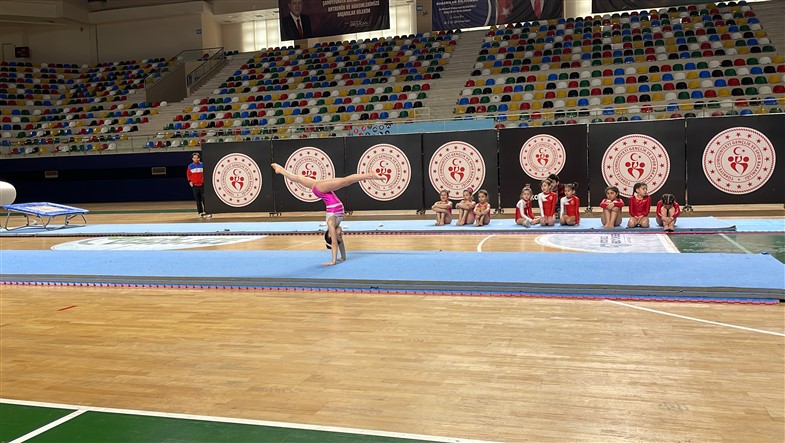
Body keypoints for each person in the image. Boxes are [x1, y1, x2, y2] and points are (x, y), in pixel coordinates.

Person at [271, 163, 383, 266]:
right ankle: (280, 170)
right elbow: (339, 242)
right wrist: (343, 257)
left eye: (339, 235)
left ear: (330, 234)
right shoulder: (336, 225)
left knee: (345, 181)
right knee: (298, 179)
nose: (342, 233)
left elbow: (334, 242)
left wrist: (333, 261)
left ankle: (370, 175)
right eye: (341, 236)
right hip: (321, 191)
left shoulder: (331, 222)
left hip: (321, 190)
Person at [186, 152, 210, 218]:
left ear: (199, 158)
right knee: (198, 200)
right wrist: (190, 181)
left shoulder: (203, 165)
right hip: (195, 185)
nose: (195, 159)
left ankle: (207, 212)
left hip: (202, 185)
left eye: (197, 158)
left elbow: (206, 173)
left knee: (204, 199)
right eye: (194, 158)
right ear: (192, 159)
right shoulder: (190, 166)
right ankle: (200, 212)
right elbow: (188, 174)